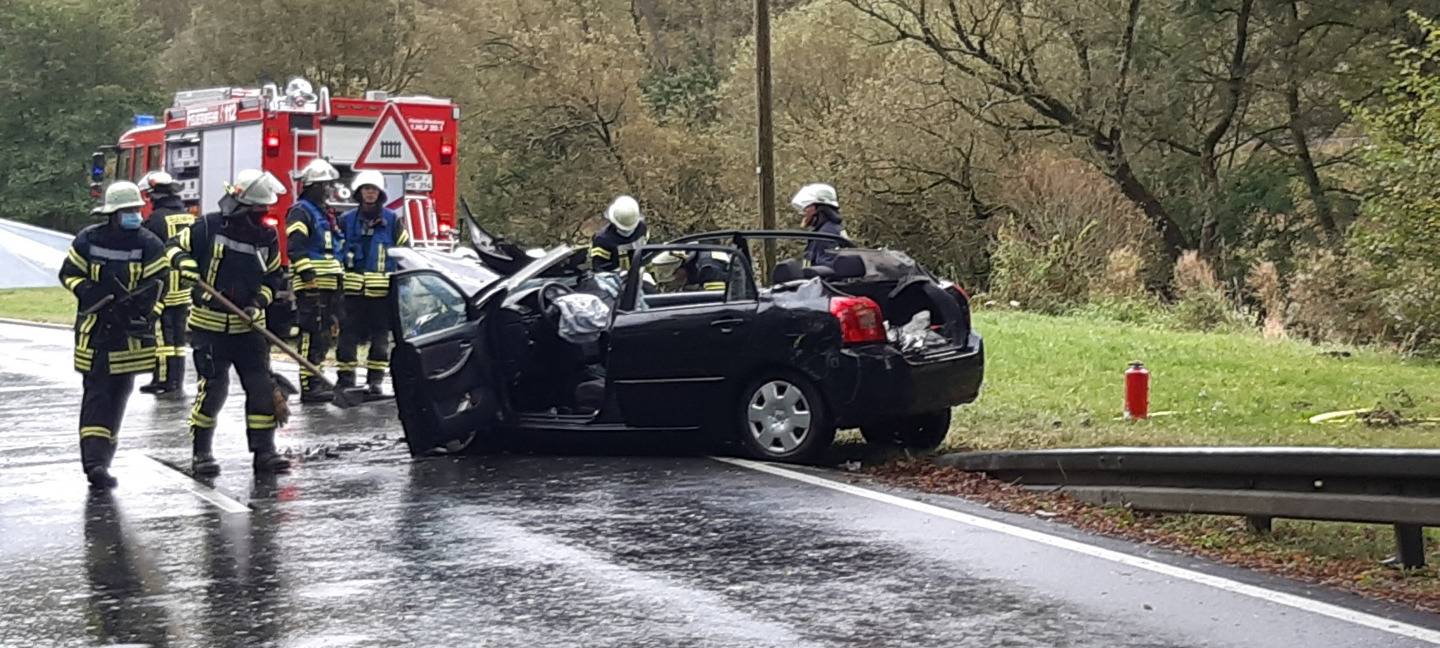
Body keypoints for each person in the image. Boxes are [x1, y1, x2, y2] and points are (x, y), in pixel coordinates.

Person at [167, 169, 291, 476]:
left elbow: (273, 276)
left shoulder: (266, 236)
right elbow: (173, 246)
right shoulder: (207, 226)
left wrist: (258, 302)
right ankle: (202, 453)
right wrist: (186, 266)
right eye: (257, 210)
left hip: (249, 329)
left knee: (261, 389)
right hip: (210, 328)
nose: (263, 215)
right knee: (213, 389)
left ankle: (264, 452)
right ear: (241, 205)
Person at [59, 182, 169, 488]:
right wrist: (89, 292)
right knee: (96, 393)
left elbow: (161, 284)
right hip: (94, 330)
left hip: (128, 336)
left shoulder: (150, 244)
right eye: (127, 211)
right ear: (112, 213)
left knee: (118, 394)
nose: (134, 215)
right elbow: (68, 273)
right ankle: (93, 463)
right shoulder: (87, 239)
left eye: (136, 209)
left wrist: (146, 315)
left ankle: (103, 458)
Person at [337, 170, 409, 396]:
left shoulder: (392, 220)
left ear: (380, 194)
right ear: (359, 193)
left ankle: (375, 381)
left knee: (380, 340)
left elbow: (404, 254)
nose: (370, 193)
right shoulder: (346, 220)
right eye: (366, 189)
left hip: (382, 295)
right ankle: (346, 380)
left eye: (374, 190)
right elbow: (337, 251)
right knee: (347, 338)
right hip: (352, 294)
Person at [285, 159, 346, 403]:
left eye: (330, 185)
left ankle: (317, 379)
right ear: (311, 186)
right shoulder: (301, 211)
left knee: (325, 334)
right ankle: (309, 385)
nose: (328, 189)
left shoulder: (325, 213)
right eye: (324, 185)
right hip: (312, 285)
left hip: (330, 282)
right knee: (312, 332)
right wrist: (308, 277)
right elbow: (296, 247)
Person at [136, 171, 195, 396]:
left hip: (163, 285)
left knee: (162, 335)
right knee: (178, 337)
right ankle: (176, 380)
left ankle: (162, 379)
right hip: (185, 286)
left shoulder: (157, 219)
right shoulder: (188, 216)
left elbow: (148, 249)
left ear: (154, 195)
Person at [790, 183, 846, 267]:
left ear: (816, 208)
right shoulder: (826, 231)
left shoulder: (826, 234)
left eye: (806, 207)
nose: (803, 211)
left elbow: (827, 270)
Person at [590, 195, 647, 273]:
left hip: (616, 281)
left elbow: (598, 268)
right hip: (637, 274)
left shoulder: (602, 239)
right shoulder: (642, 228)